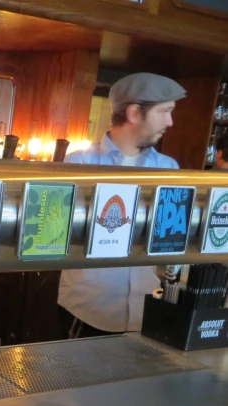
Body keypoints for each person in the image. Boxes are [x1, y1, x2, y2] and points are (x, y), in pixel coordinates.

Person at [58, 72, 186, 338]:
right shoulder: (79, 165)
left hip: (148, 309)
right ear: (135, 113)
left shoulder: (168, 169)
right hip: (90, 308)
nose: (170, 122)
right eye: (164, 111)